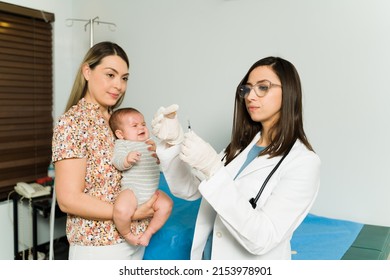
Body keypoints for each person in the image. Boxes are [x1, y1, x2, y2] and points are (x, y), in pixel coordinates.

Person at [151, 56, 321, 260]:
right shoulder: (239, 149)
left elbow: (262, 238)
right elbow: (189, 190)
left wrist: (213, 169)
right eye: (247, 89)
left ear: (289, 93)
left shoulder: (303, 163)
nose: (250, 96)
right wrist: (174, 142)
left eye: (263, 88)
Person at [52, 41, 158, 260]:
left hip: (135, 240)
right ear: (87, 71)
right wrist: (130, 213)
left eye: (124, 78)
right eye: (110, 75)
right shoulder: (72, 123)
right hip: (98, 247)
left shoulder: (119, 122)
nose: (119, 85)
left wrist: (152, 155)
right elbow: (68, 199)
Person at [109, 107, 173, 246]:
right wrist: (127, 160)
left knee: (167, 204)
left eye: (143, 124)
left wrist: (159, 155)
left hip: (152, 192)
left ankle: (148, 233)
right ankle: (127, 234)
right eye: (134, 126)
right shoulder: (123, 144)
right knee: (121, 210)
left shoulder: (150, 144)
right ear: (120, 134)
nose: (141, 128)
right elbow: (117, 161)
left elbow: (160, 166)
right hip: (133, 190)